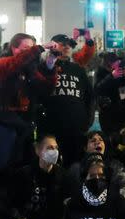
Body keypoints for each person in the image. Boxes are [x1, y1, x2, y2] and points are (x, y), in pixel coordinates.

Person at [0, 33, 58, 178]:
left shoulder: (30, 69)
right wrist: (40, 47)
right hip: (6, 122)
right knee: (4, 163)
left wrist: (51, 65)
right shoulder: (3, 63)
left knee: (24, 162)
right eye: (26, 48)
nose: (30, 52)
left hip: (26, 122)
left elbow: (46, 88)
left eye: (31, 48)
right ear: (14, 48)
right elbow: (17, 62)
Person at [7, 135, 77, 219]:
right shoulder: (24, 174)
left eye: (56, 148)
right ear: (38, 151)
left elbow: (69, 204)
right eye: (49, 148)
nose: (54, 151)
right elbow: (14, 202)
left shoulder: (64, 176)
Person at [37, 33, 95, 166]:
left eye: (70, 45)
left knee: (75, 165)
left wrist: (88, 120)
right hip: (52, 129)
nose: (67, 47)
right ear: (53, 46)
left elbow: (90, 96)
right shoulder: (44, 67)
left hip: (76, 128)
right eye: (63, 44)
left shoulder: (78, 69)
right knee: (51, 165)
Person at [67, 131, 125, 211]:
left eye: (101, 140)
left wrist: (122, 206)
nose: (98, 142)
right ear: (85, 148)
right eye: (93, 141)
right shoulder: (76, 168)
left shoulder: (114, 165)